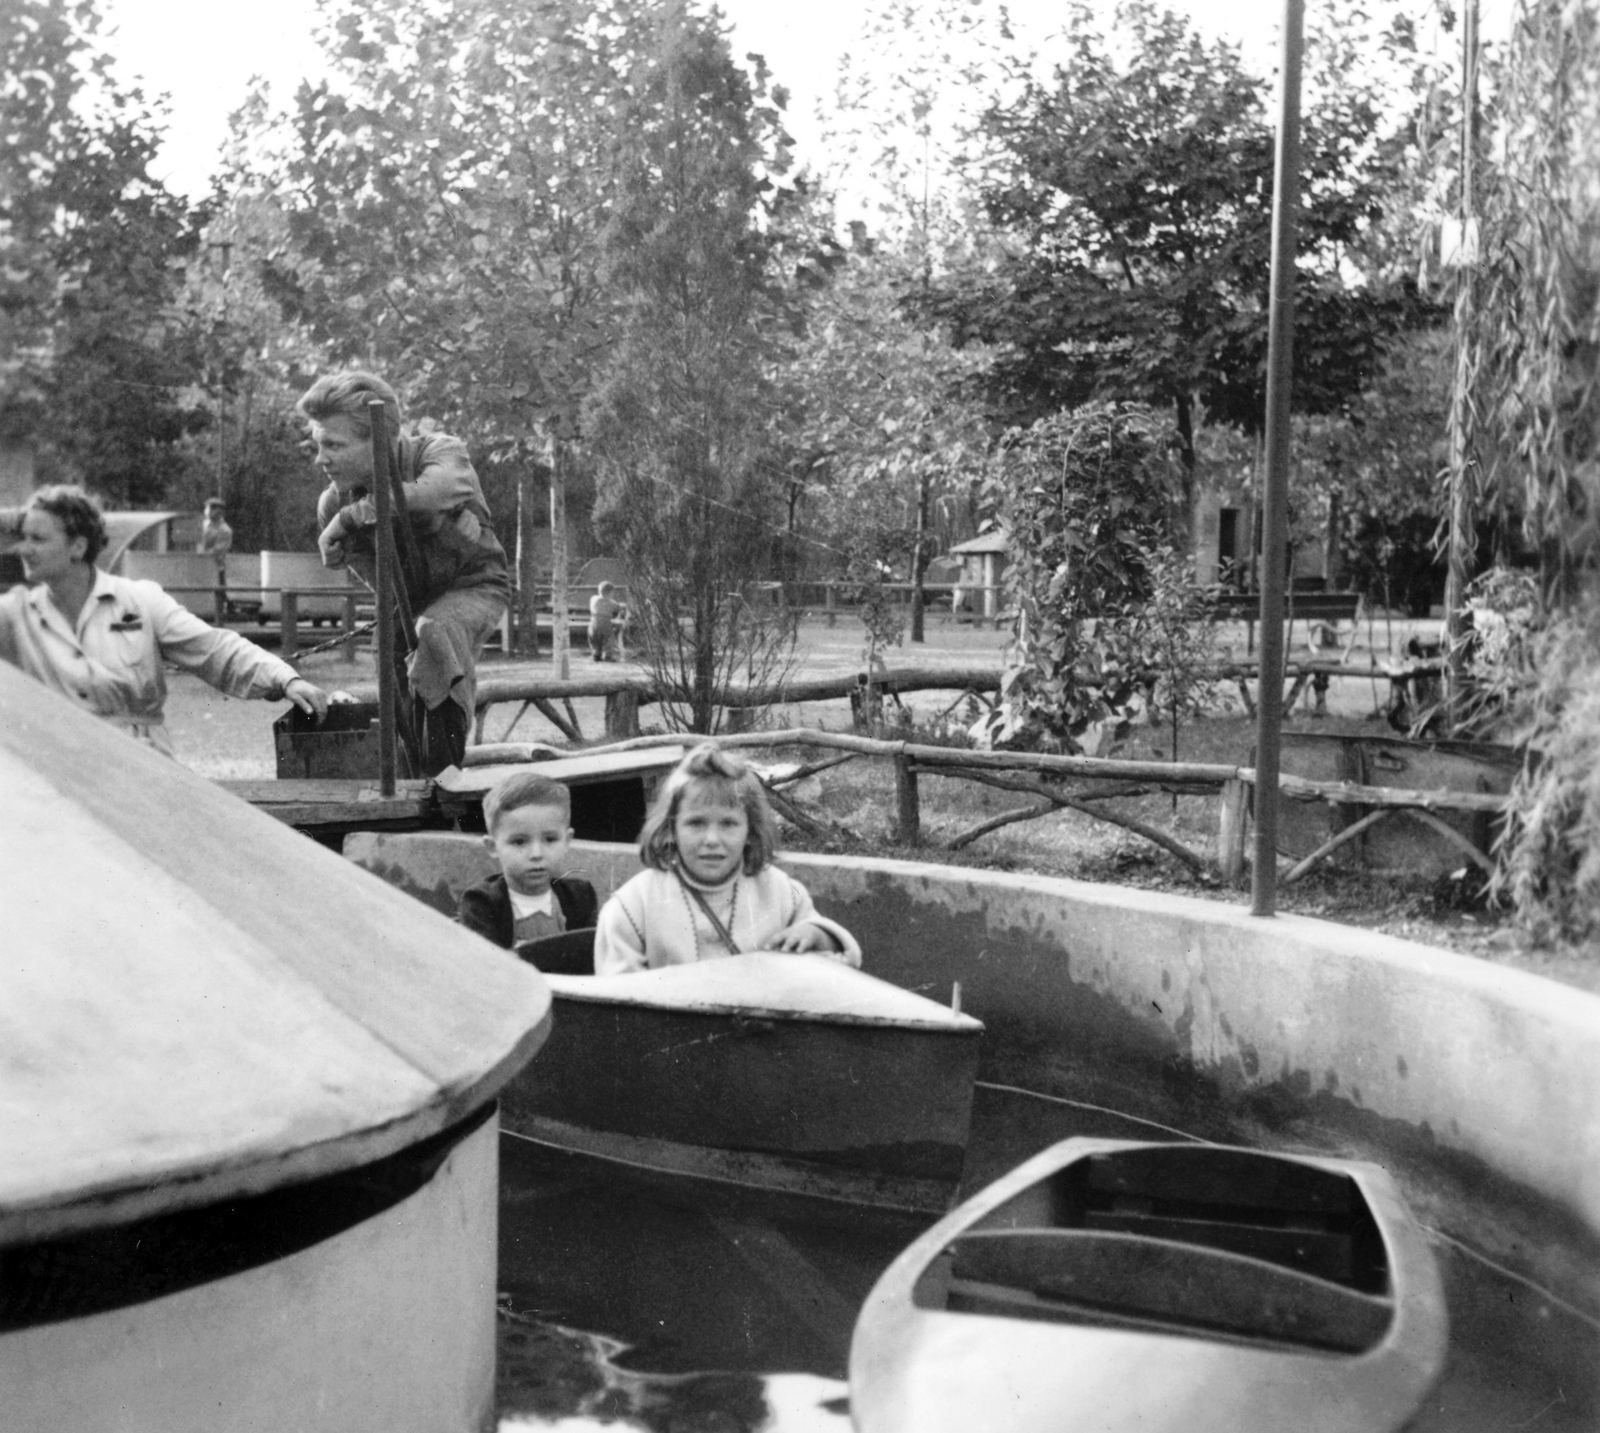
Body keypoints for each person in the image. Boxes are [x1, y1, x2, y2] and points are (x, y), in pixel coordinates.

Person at [0, 485, 327, 755]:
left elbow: (214, 649)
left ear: (78, 546)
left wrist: (286, 679)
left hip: (144, 764)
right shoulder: (15, 615)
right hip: (61, 768)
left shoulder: (139, 600)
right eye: (23, 538)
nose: (23, 549)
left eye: (38, 539)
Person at [299, 371, 510, 775]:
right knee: (389, 651)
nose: (320, 458)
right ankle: (408, 775)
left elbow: (433, 489)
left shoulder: (440, 450)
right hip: (411, 601)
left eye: (333, 445)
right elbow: (382, 585)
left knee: (435, 631)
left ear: (378, 441)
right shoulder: (332, 504)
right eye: (318, 444)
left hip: (476, 587)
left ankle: (445, 776)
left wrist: (354, 517)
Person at [594, 743, 861, 976]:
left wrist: (816, 936)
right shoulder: (633, 905)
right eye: (696, 823)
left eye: (728, 824)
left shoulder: (780, 892)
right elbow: (618, 1001)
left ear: (750, 830)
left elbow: (834, 961)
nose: (712, 839)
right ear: (671, 828)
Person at [458, 772, 599, 955]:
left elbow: (590, 957)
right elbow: (486, 967)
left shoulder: (580, 896)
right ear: (492, 846)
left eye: (550, 839)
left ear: (567, 840)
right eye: (519, 842)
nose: (536, 854)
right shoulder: (482, 903)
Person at [588, 581, 624, 662]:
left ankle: (596, 654)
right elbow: (617, 610)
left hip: (593, 622)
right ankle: (608, 656)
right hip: (605, 622)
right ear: (610, 593)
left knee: (595, 640)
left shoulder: (593, 599)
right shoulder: (612, 603)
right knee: (608, 639)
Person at [196, 499, 233, 564]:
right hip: (201, 565)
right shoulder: (207, 527)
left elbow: (218, 550)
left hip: (215, 566)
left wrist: (203, 552)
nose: (207, 511)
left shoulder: (225, 530)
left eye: (210, 508)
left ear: (219, 511)